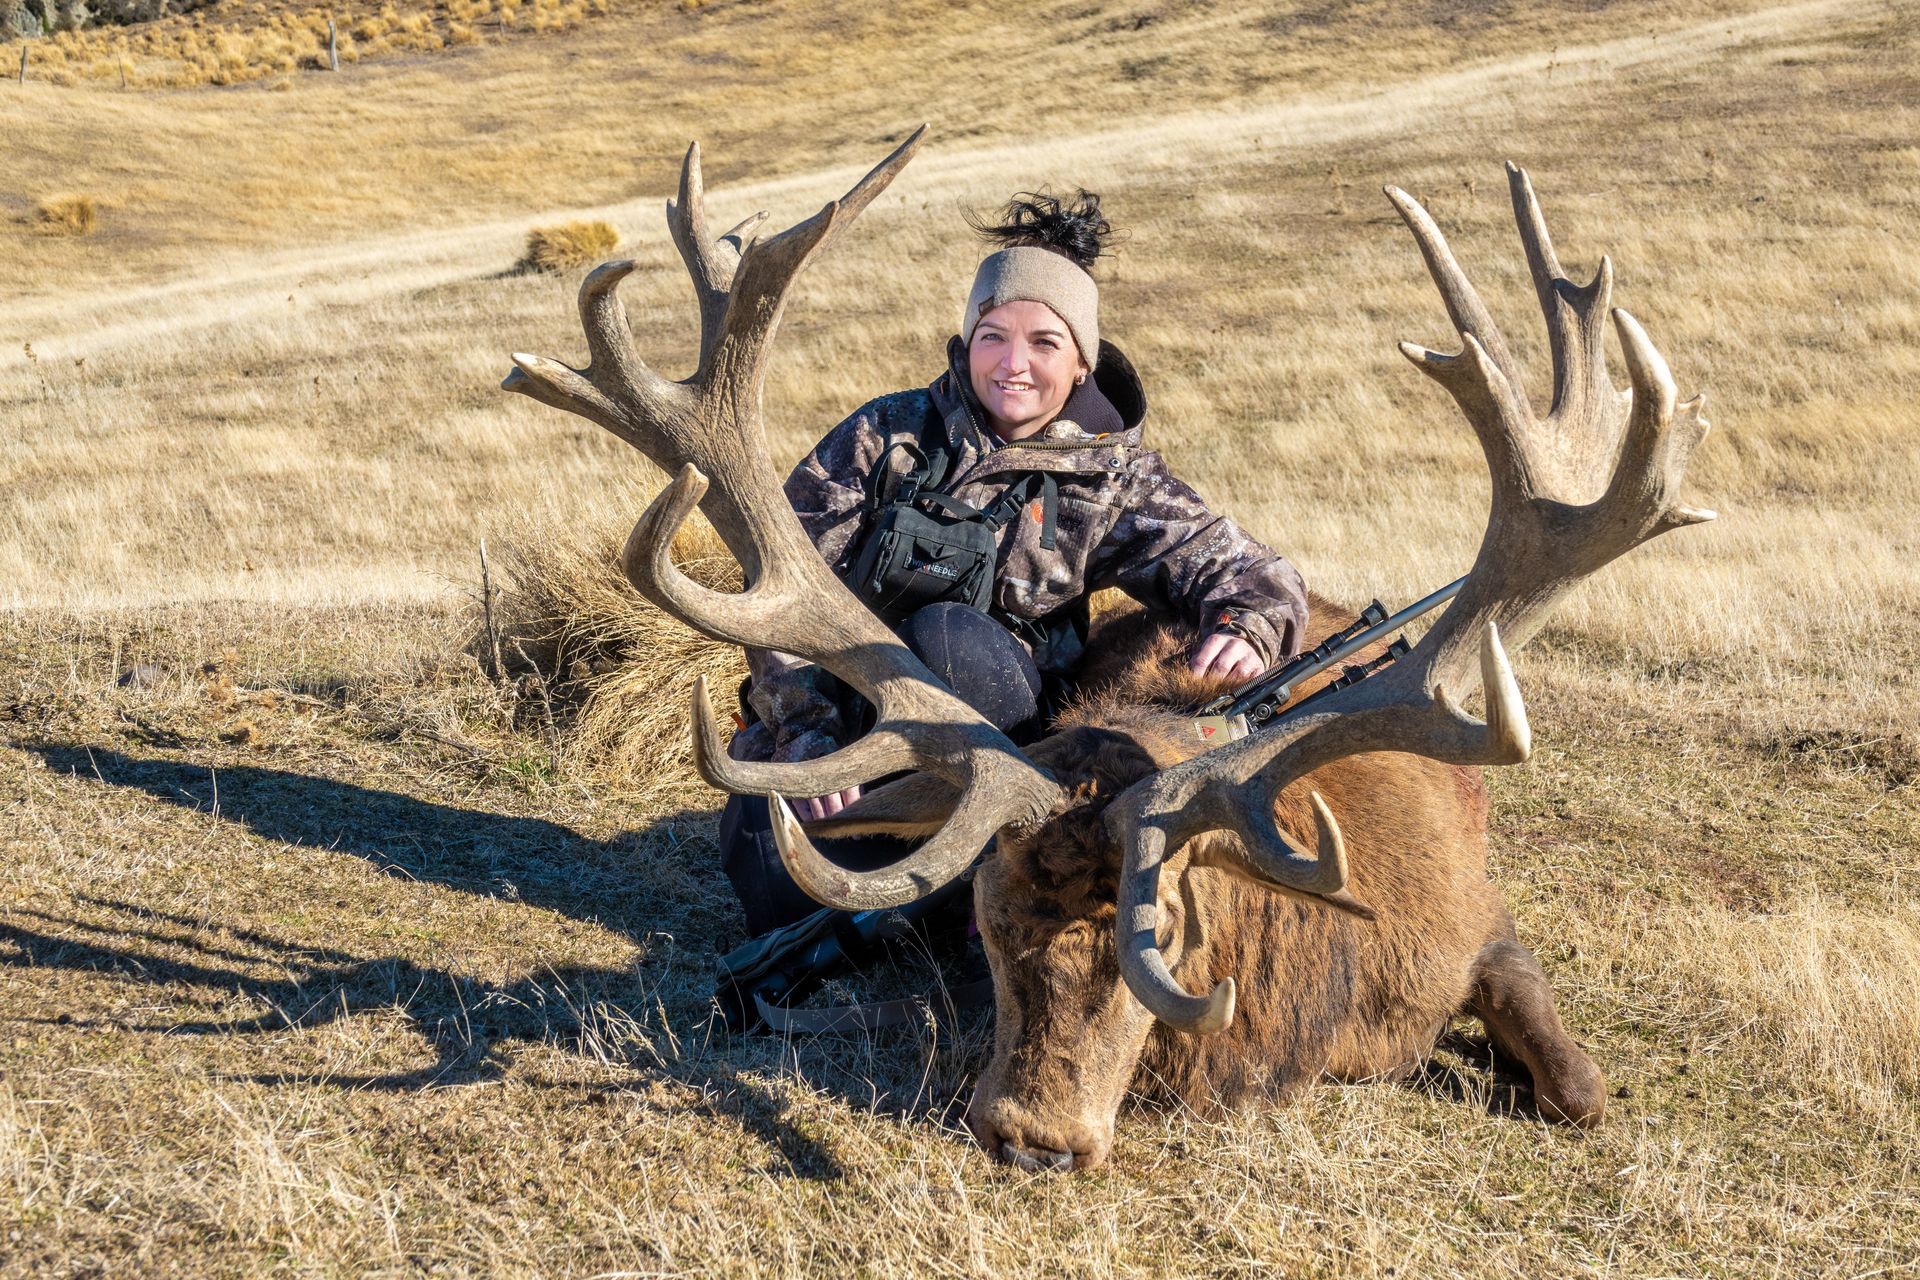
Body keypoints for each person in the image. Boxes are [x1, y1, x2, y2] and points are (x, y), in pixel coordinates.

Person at [719, 191, 1310, 934]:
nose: (1013, 365)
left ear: (1082, 362)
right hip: (843, 727)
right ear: (966, 340)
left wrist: (1250, 626)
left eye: (1044, 343)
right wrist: (806, 735)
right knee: (776, 905)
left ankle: (992, 868)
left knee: (948, 636)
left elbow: (1263, 577)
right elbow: (776, 582)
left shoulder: (1111, 477)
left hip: (1001, 754)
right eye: (993, 335)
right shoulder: (886, 434)